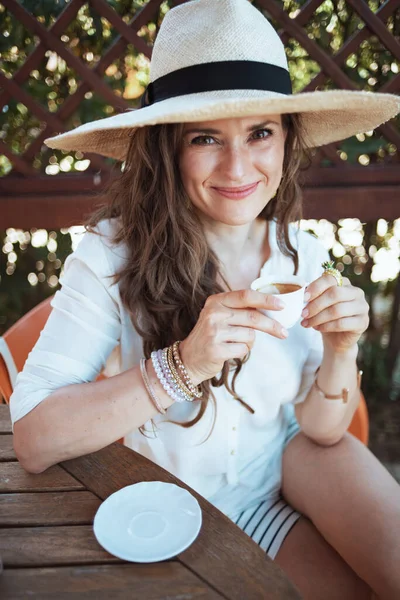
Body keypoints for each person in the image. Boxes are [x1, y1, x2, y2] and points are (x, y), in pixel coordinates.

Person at [10, 0, 400, 597]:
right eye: (206, 138)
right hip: (163, 508)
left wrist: (342, 348)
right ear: (169, 149)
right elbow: (35, 436)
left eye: (261, 133)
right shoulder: (110, 255)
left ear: (288, 140)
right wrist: (182, 364)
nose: (239, 166)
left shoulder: (302, 251)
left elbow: (323, 430)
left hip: (278, 486)